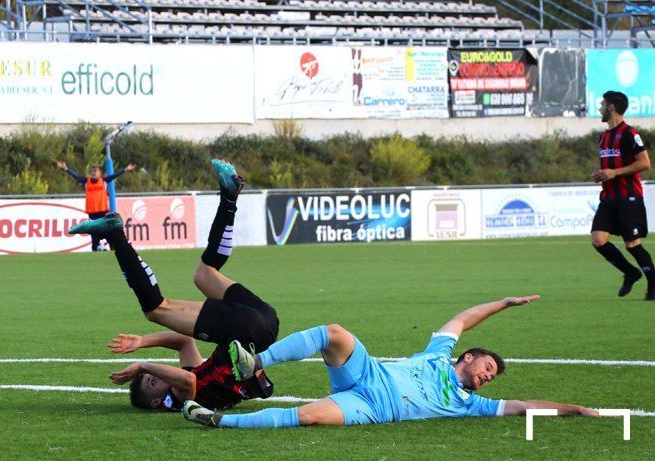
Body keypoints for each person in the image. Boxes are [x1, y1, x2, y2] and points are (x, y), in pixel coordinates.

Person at [182, 296, 600, 428]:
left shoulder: (472, 404)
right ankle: (258, 362)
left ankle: (218, 421)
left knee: (308, 417)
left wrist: (573, 408)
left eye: (490, 378)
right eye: (487, 368)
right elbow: (464, 319)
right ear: (468, 357)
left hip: (374, 408)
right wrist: (506, 303)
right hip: (369, 373)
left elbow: (524, 407)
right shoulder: (439, 352)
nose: (488, 379)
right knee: (335, 332)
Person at [70, 160, 279, 412]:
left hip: (263, 324)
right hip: (247, 332)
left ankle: (229, 196)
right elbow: (187, 379)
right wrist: (143, 366)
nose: (159, 378)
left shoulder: (192, 377)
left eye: (152, 378)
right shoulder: (181, 399)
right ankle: (116, 236)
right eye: (153, 383)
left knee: (204, 274)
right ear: (158, 401)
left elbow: (183, 342)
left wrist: (143, 341)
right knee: (155, 310)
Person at [590, 91, 653, 300]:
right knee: (598, 240)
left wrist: (614, 172)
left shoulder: (629, 133)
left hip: (629, 197)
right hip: (608, 197)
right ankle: (630, 272)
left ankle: (653, 284)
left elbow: (644, 163)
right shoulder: (603, 137)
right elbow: (610, 167)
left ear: (611, 107)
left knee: (632, 244)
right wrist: (602, 175)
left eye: (602, 104)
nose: (599, 108)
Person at [57, 161, 136, 251]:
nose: (93, 173)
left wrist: (125, 169)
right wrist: (66, 168)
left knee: (108, 232)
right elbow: (76, 176)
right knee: (94, 233)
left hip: (103, 212)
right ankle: (95, 250)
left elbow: (114, 176)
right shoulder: (87, 181)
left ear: (99, 173)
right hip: (92, 212)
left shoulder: (104, 181)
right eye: (92, 171)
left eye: (95, 171)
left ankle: (112, 249)